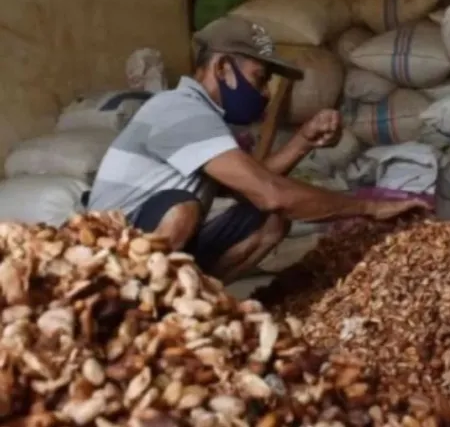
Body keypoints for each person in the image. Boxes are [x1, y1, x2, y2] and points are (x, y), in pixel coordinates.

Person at [88, 16, 430, 283]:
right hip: (111, 259)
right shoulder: (180, 110)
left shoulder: (202, 115)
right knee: (182, 208)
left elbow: (249, 187)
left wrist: (303, 141)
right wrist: (370, 207)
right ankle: (140, 311)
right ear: (223, 68)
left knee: (268, 221)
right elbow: (270, 193)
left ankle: (199, 304)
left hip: (157, 250)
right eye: (260, 78)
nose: (265, 93)